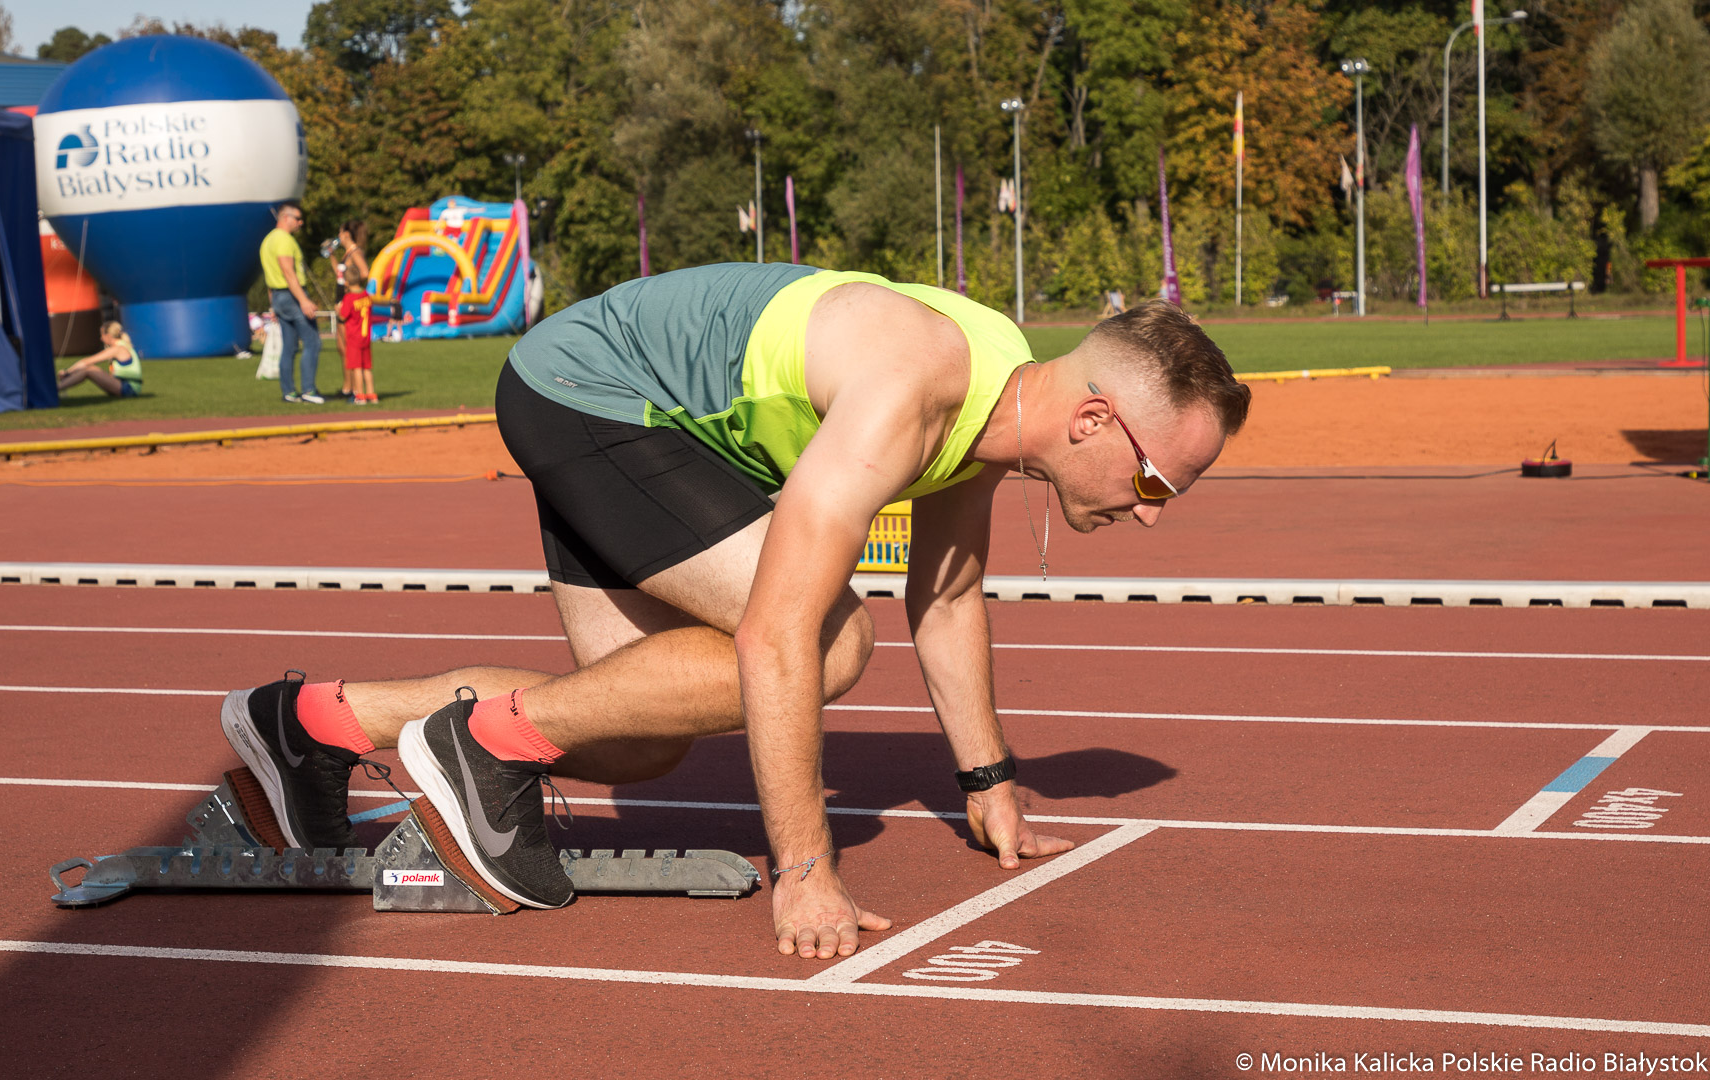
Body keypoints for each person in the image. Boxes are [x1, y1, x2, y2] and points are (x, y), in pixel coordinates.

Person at [219, 263, 1249, 959]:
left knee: (636, 738)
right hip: (596, 395)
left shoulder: (1001, 393)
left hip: (614, 397)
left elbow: (945, 594)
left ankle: (311, 723)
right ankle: (481, 746)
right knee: (831, 638)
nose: (1150, 514)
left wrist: (989, 785)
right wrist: (804, 871)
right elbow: (776, 634)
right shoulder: (917, 385)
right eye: (1157, 481)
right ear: (1093, 419)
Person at [261, 201, 324, 404]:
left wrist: (273, 305)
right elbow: (288, 272)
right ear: (285, 218)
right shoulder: (284, 240)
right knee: (312, 342)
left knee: (289, 346)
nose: (300, 222)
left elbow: (269, 277)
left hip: (278, 296)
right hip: (292, 295)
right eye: (297, 218)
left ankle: (289, 392)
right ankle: (308, 390)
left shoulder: (268, 240)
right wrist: (303, 300)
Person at [332, 220, 371, 399]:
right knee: (341, 347)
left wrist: (351, 288)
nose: (339, 236)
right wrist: (331, 256)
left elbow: (364, 272)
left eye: (341, 233)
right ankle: (347, 387)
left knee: (349, 348)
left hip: (347, 303)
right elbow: (340, 274)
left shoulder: (355, 252)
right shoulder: (347, 253)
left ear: (347, 234)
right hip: (341, 300)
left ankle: (355, 389)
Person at [56, 322, 142, 398]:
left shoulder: (118, 349)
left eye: (102, 335)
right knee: (90, 369)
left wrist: (67, 372)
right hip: (128, 386)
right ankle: (59, 388)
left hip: (128, 388)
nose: (101, 338)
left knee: (89, 370)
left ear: (108, 336)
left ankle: (56, 389)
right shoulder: (124, 345)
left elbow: (86, 362)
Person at [336, 267, 377, 405]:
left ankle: (360, 395)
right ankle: (371, 394)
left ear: (346, 283)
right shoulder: (366, 295)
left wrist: (339, 310)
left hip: (354, 337)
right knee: (367, 367)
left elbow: (343, 316)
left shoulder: (349, 298)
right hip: (366, 337)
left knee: (356, 367)